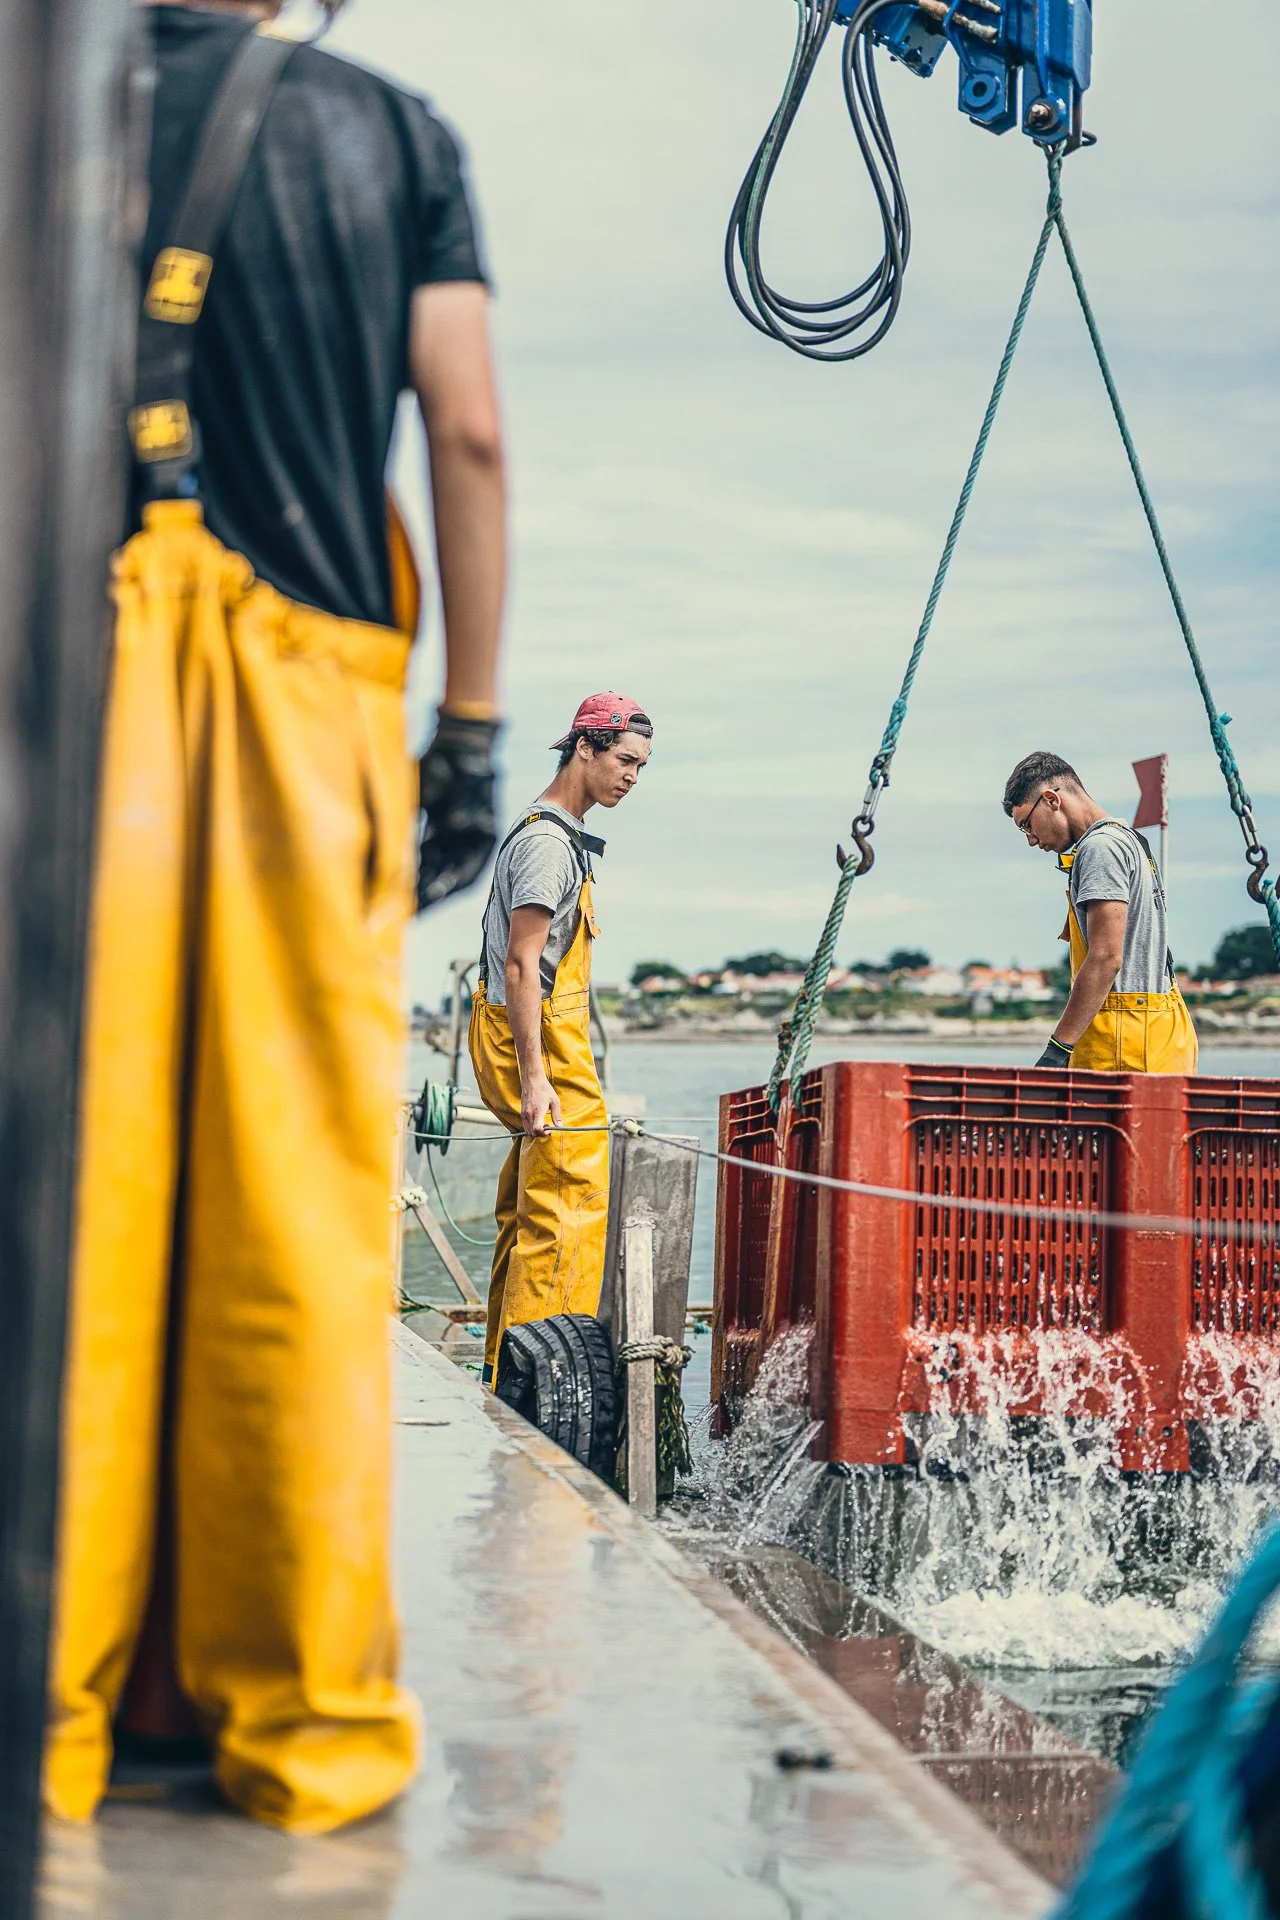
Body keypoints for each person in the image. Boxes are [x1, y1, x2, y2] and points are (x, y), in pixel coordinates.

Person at [45, 0, 505, 1836]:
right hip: (308, 698)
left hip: (67, 692)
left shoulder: (49, 122)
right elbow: (462, 434)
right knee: (291, 1208)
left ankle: (45, 1695)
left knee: (71, 1198)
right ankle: (292, 1704)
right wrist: (471, 731)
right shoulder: (393, 133)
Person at [469, 694, 653, 1386]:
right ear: (585, 747)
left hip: (540, 1036)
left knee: (530, 1211)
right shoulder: (549, 845)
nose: (633, 776)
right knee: (569, 1206)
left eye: (642, 766)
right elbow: (523, 963)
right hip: (537, 1041)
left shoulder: (554, 834)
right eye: (625, 759)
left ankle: (500, 1369)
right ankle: (545, 1385)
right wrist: (536, 1075)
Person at [1003, 751, 1197, 1073]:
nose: (1031, 840)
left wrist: (1057, 1049)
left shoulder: (1100, 849)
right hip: (1162, 1036)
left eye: (1027, 825)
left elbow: (1106, 958)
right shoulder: (1132, 841)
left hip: (1125, 1046)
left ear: (1051, 800)